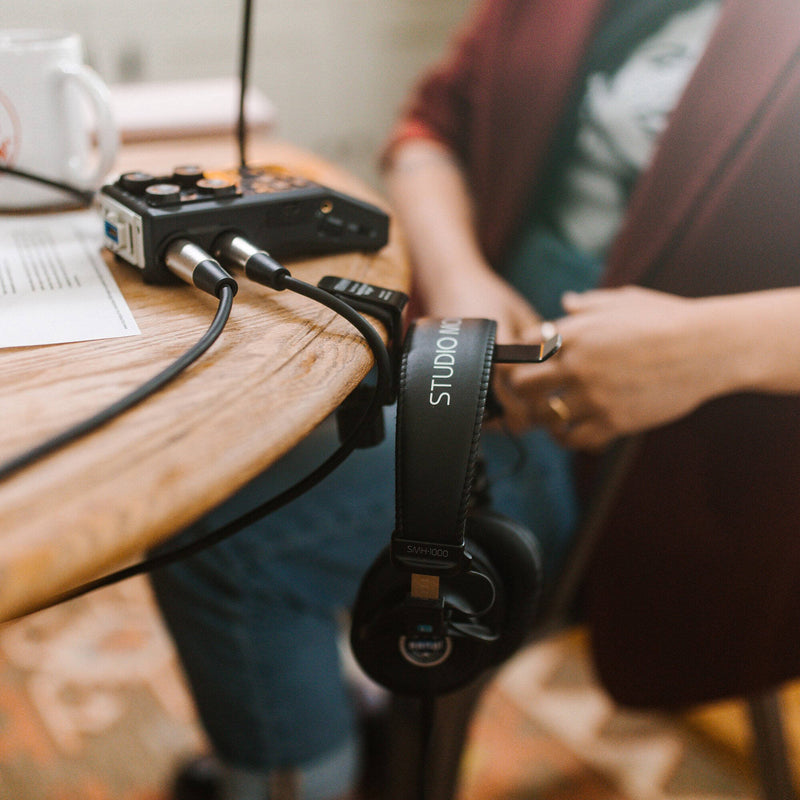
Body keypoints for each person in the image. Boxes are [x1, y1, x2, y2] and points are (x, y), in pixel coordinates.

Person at [153, 1, 800, 798]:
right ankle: (322, 736)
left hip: (668, 465)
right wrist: (460, 274)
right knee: (217, 438)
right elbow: (432, 126)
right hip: (474, 364)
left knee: (225, 533)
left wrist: (722, 345)